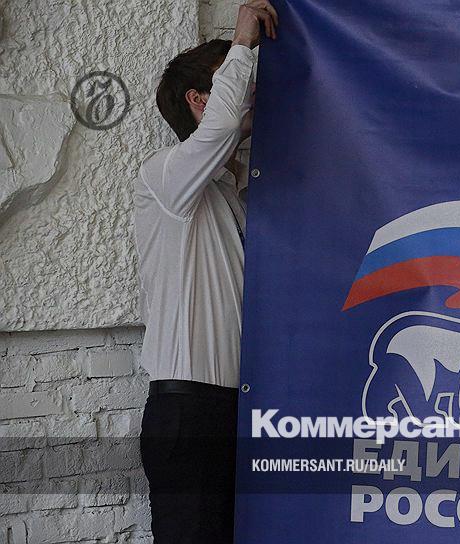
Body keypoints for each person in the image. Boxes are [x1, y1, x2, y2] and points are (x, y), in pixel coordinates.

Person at [132, 1, 278, 542]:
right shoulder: (164, 178)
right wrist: (241, 39)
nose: (254, 90)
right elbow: (221, 128)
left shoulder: (233, 192)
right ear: (199, 101)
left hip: (237, 409)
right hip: (188, 411)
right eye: (237, 81)